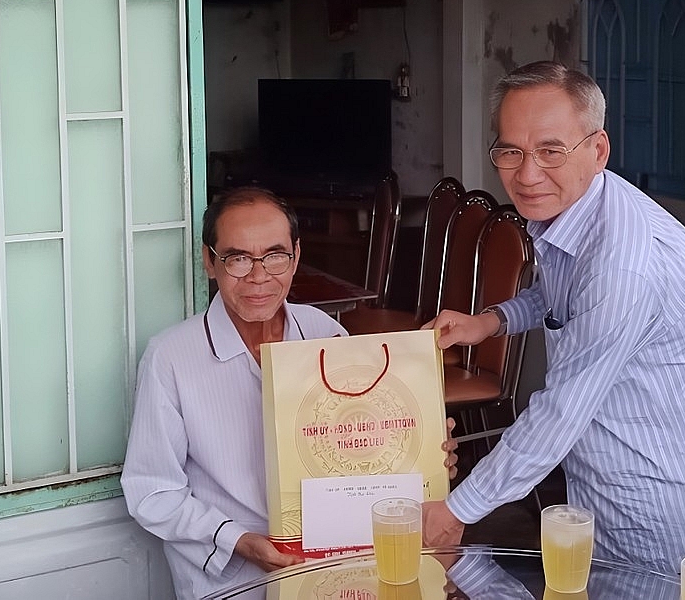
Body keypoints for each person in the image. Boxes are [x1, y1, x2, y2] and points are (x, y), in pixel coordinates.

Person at [421, 61, 685, 600]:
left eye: (550, 150)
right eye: (510, 151)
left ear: (598, 149)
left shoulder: (623, 264)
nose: (527, 173)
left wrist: (456, 512)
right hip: (622, 506)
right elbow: (563, 293)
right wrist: (492, 320)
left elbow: (559, 413)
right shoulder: (577, 208)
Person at [121, 187, 458, 599]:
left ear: (296, 256)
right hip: (232, 578)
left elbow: (358, 448)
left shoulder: (325, 334)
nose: (259, 276)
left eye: (275, 255)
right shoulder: (171, 357)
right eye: (237, 258)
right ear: (209, 261)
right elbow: (152, 490)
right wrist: (237, 540)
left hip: (336, 569)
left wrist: (424, 455)